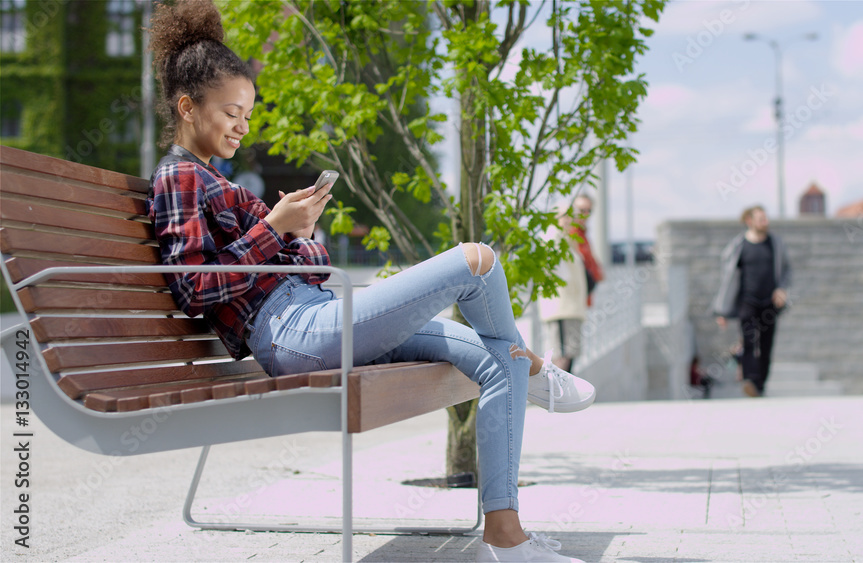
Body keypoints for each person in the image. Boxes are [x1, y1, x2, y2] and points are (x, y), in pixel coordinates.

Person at [145, 2, 594, 561]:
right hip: (290, 334)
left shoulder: (219, 180)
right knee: (476, 261)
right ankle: (531, 364)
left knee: (493, 358)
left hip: (313, 311)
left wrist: (294, 228)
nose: (242, 125)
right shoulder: (178, 176)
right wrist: (272, 230)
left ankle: (504, 537)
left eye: (249, 115)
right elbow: (191, 287)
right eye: (232, 112)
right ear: (188, 107)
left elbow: (308, 264)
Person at [711, 205, 791, 397]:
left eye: (766, 218)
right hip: (747, 301)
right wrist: (721, 311)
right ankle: (749, 379)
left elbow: (787, 271)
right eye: (761, 219)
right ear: (749, 221)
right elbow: (728, 279)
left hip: (770, 303)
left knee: (766, 345)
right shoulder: (739, 246)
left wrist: (781, 289)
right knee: (748, 341)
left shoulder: (775, 244)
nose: (766, 222)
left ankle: (760, 385)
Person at [538, 202, 590, 373]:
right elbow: (559, 273)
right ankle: (556, 397)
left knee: (568, 356)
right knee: (561, 356)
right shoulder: (553, 238)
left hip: (569, 308)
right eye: (565, 215)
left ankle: (560, 397)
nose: (569, 219)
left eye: (570, 215)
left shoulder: (566, 238)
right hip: (560, 308)